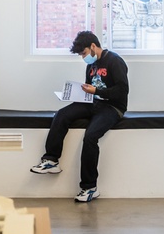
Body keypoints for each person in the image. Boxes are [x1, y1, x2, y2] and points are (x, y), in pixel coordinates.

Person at [30, 31, 128, 202]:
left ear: (93, 46)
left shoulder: (114, 61)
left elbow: (122, 91)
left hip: (112, 107)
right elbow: (90, 89)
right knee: (61, 114)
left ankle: (89, 188)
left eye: (83, 53)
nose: (83, 58)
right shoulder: (91, 65)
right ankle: (51, 160)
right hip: (93, 103)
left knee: (90, 136)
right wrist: (80, 93)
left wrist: (96, 91)